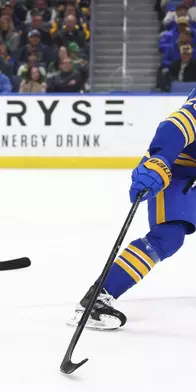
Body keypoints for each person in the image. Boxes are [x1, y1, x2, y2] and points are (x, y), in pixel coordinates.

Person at [69, 89, 196, 331]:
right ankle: (97, 299)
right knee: (168, 236)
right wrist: (158, 160)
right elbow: (177, 126)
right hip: (179, 170)